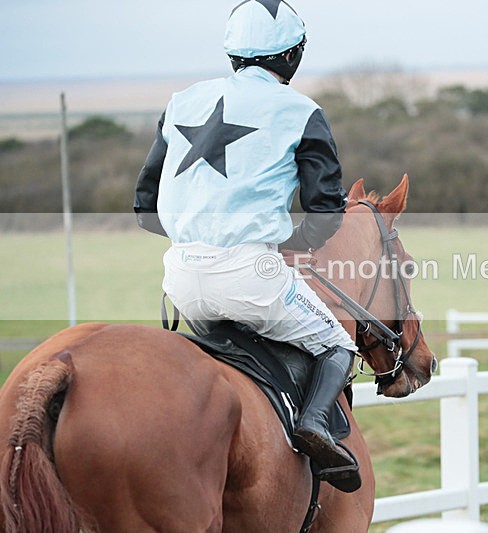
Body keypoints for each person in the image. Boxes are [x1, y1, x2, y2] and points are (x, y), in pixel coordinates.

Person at [133, 0, 359, 491]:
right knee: (338, 345)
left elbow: (144, 208)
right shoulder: (302, 111)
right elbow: (325, 212)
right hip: (251, 275)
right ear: (293, 55)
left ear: (232, 53)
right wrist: (292, 246)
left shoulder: (182, 100)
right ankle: (313, 426)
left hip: (181, 281)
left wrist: (195, 233)